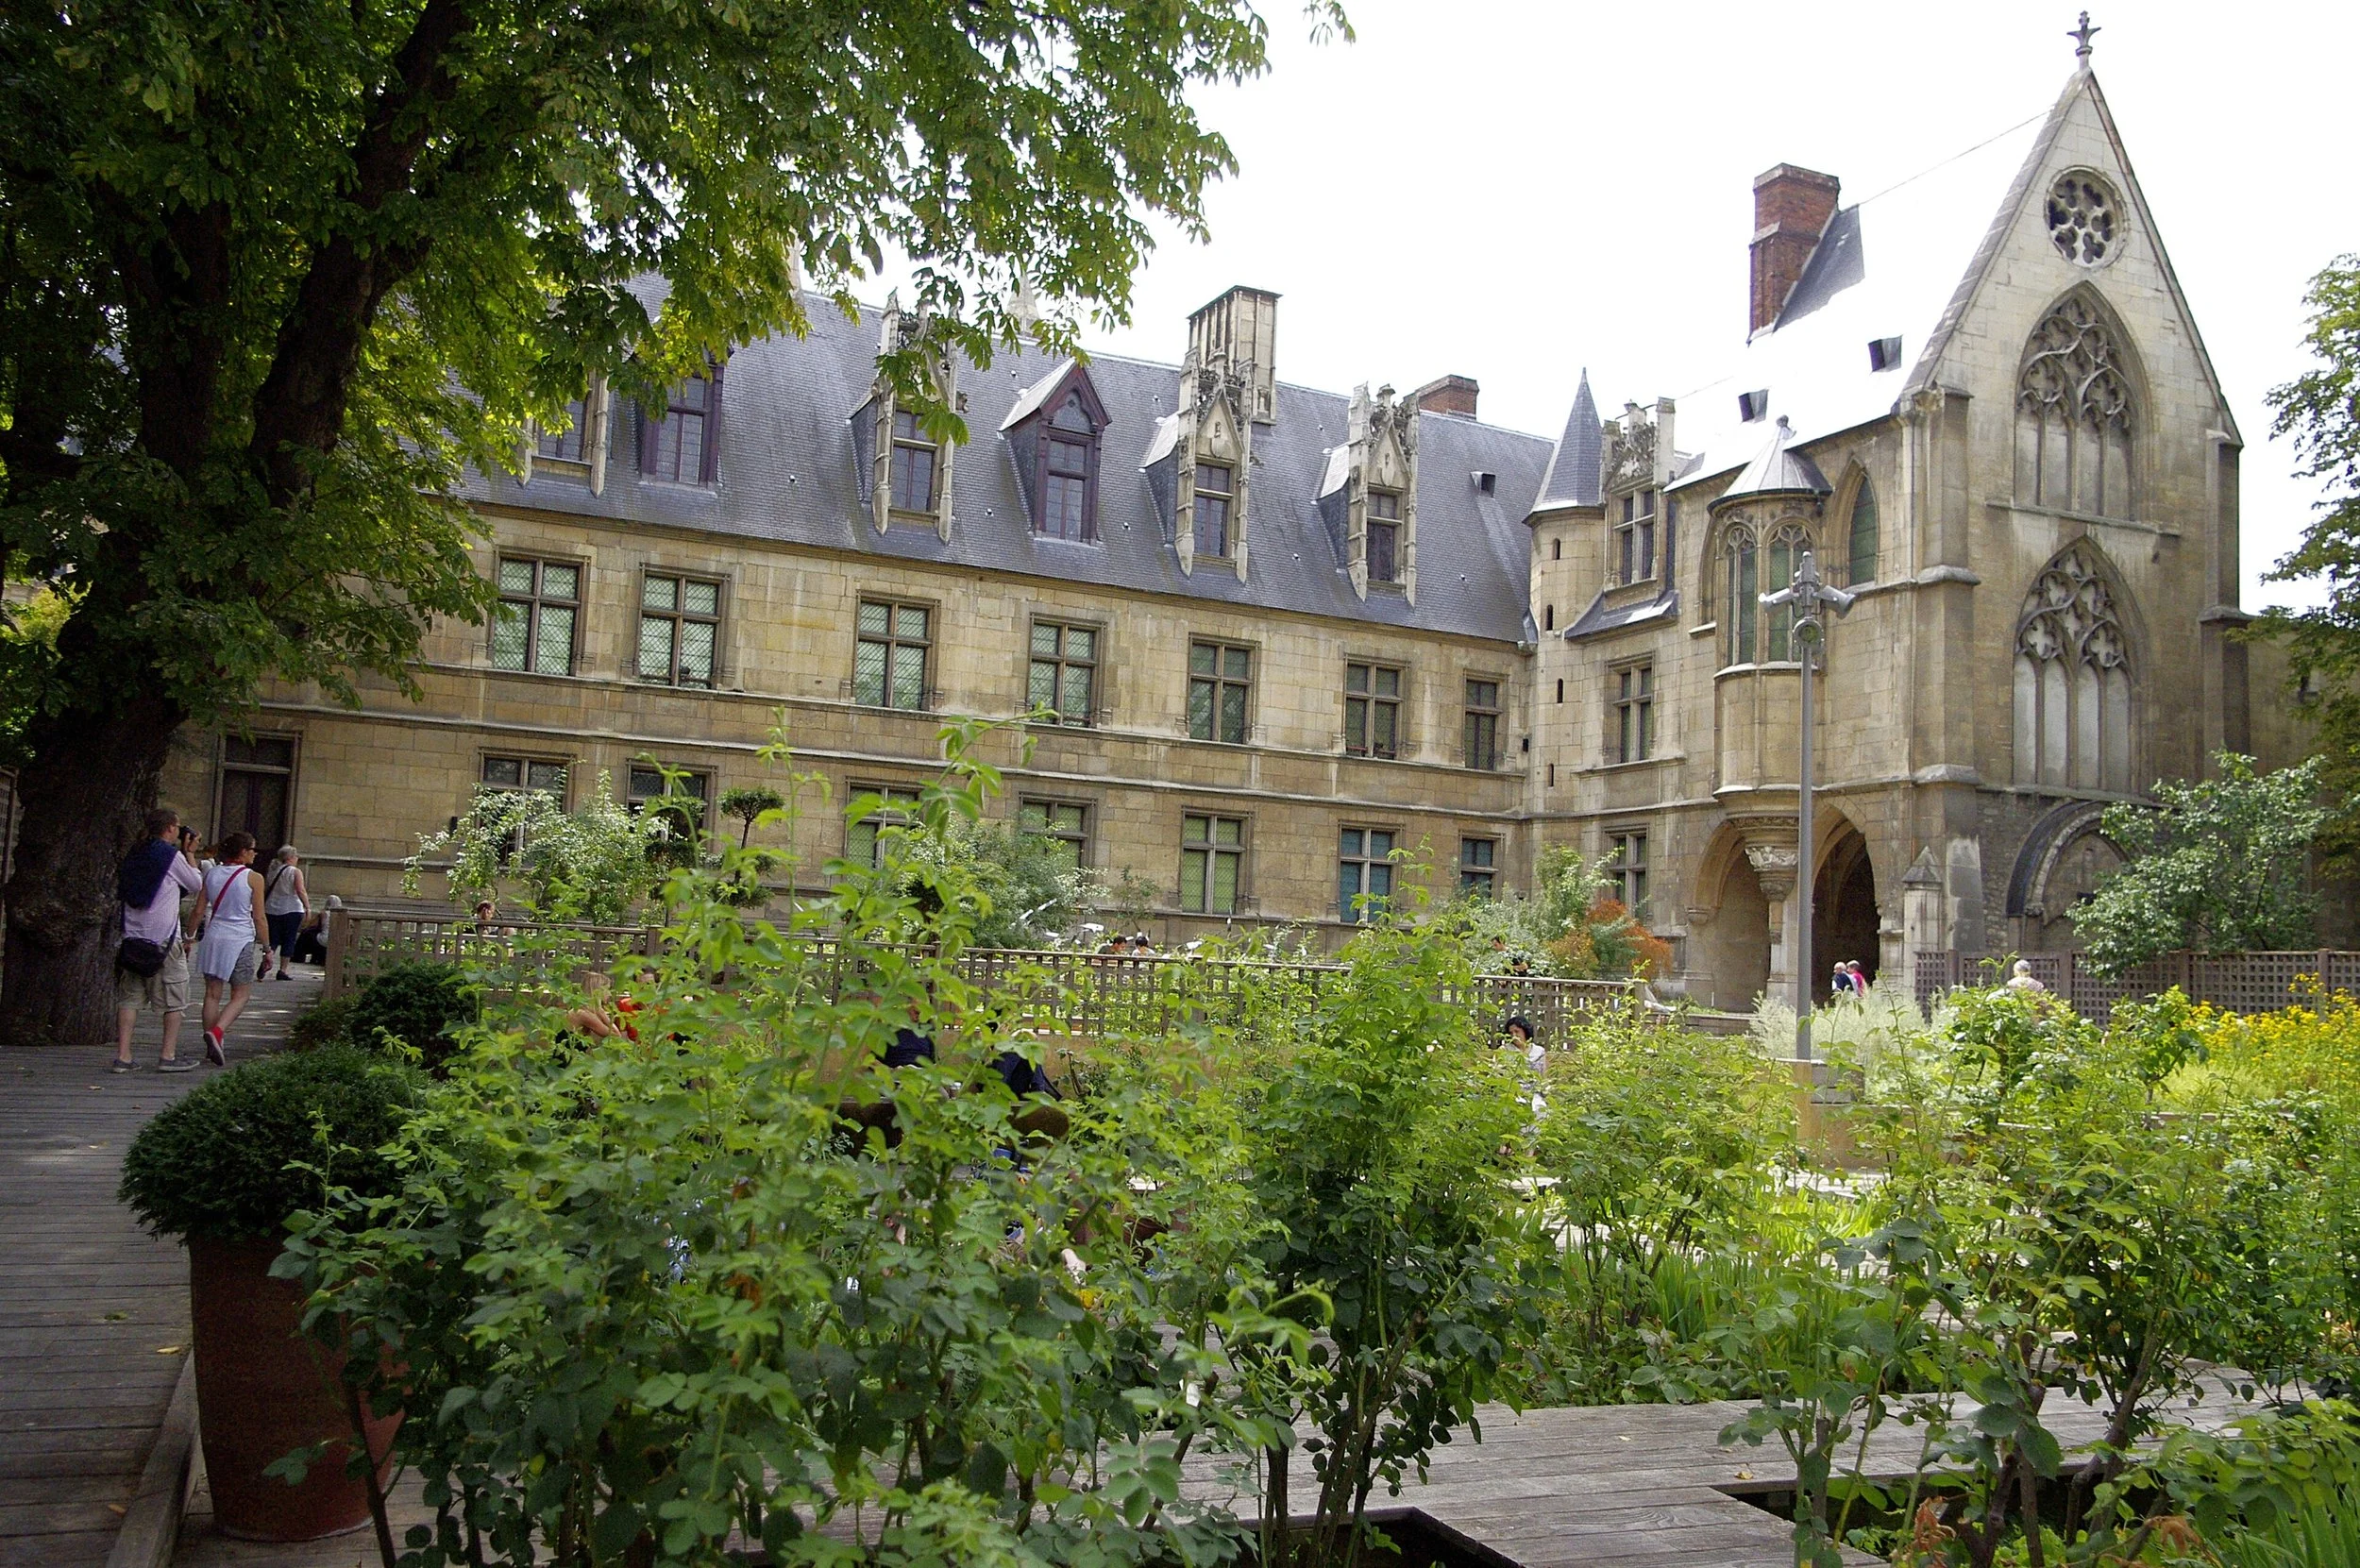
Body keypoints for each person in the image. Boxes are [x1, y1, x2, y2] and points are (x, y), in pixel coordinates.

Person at [113, 808, 204, 1072]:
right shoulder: (170, 855)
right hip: (163, 942)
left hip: (132, 939)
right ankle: (167, 1055)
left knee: (130, 999)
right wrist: (190, 853)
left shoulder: (136, 852)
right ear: (169, 829)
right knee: (174, 1001)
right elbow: (196, 883)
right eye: (176, 828)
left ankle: (123, 1057)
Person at [194, 832, 268, 1065]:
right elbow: (259, 917)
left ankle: (211, 1046)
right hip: (240, 939)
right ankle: (217, 1032)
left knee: (212, 994)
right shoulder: (254, 878)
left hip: (214, 936)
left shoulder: (212, 874)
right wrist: (267, 947)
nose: (255, 853)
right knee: (241, 994)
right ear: (243, 852)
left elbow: (198, 910)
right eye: (253, 849)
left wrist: (188, 936)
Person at [260, 845, 310, 980]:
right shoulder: (294, 871)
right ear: (290, 857)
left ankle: (266, 962)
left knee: (273, 939)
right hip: (291, 908)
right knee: (289, 939)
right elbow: (300, 890)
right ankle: (283, 970)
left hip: (271, 908)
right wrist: (307, 907)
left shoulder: (273, 870)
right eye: (296, 856)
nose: (297, 858)